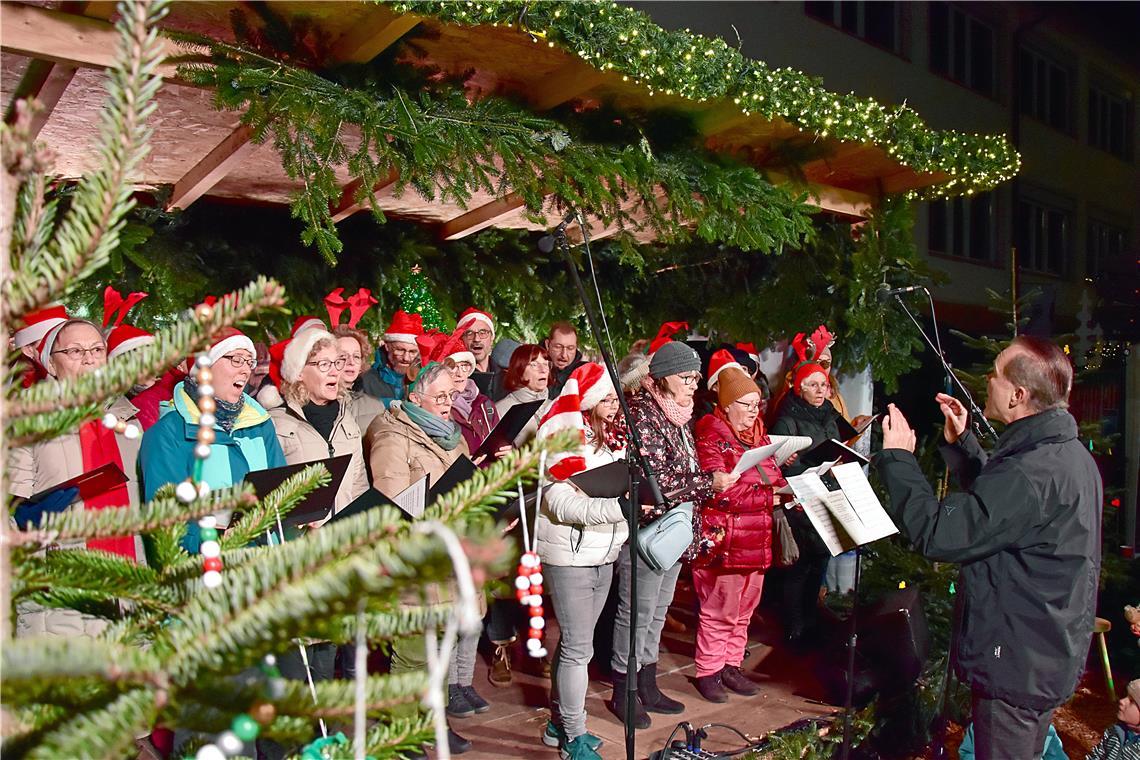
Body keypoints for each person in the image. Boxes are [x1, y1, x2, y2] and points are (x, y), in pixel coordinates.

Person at [875, 336, 1100, 759]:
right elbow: (1002, 516)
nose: (986, 381)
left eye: (995, 374)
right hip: (1039, 655)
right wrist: (964, 447)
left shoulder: (1032, 471)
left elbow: (941, 534)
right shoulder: (1063, 455)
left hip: (1017, 664)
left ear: (1018, 395)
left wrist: (898, 459)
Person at [607, 340, 734, 729]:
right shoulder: (642, 414)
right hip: (647, 532)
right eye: (686, 378)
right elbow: (657, 480)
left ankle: (647, 683)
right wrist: (708, 482)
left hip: (676, 529)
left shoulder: (678, 413)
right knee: (636, 613)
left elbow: (680, 472)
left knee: (658, 612)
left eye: (695, 377)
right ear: (660, 380)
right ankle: (622, 691)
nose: (694, 385)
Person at [364, 361, 474, 756]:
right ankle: (403, 732)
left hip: (451, 555)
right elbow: (391, 501)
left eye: (452, 395)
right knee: (412, 655)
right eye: (440, 396)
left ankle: (434, 721)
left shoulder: (453, 438)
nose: (449, 403)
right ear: (415, 398)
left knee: (440, 652)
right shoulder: (394, 436)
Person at [9, 319, 143, 637]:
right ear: (51, 364)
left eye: (97, 349)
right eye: (74, 351)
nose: (89, 358)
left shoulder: (128, 423)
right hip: (60, 594)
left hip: (127, 590)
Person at [535, 362, 627, 759]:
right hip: (569, 555)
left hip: (603, 552)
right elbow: (557, 500)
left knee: (576, 646)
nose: (613, 404)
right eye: (606, 397)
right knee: (577, 648)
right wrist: (618, 509)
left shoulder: (613, 438)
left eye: (614, 397)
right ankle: (574, 736)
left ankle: (560, 723)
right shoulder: (562, 437)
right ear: (588, 402)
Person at [140, 328, 285, 553]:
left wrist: (304, 514)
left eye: (249, 361)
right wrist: (213, 539)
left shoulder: (260, 423)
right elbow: (164, 525)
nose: (246, 369)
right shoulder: (169, 433)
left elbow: (283, 490)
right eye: (236, 360)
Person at [691, 367, 787, 702]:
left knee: (745, 609)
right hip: (725, 540)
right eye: (746, 404)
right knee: (721, 609)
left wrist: (791, 490)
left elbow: (773, 477)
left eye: (757, 403)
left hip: (755, 537)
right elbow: (719, 491)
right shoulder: (710, 432)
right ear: (727, 404)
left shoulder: (757, 435)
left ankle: (731, 665)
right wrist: (769, 496)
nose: (754, 410)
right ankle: (708, 670)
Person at [769, 361, 839, 645]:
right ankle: (793, 626)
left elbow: (834, 446)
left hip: (826, 494)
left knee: (820, 562)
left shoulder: (829, 415)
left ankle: (812, 619)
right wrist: (803, 467)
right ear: (798, 388)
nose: (819, 390)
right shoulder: (788, 418)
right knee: (800, 566)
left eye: (823, 384)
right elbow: (778, 464)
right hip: (799, 499)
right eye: (812, 384)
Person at [269, 329, 370, 523]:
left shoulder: (347, 421)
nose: (335, 371)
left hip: (344, 542)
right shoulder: (276, 424)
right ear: (299, 372)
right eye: (324, 364)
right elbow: (269, 497)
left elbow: (358, 487)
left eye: (336, 362)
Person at [432, 331, 503, 458]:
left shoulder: (485, 404)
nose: (460, 373)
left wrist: (507, 450)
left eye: (464, 366)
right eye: (453, 367)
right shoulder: (438, 407)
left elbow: (501, 440)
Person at [495, 344, 555, 446]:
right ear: (519, 369)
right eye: (534, 365)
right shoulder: (501, 410)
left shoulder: (555, 405)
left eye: (545, 364)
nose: (543, 370)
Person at [360, 310, 421, 408]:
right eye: (400, 350)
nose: (406, 358)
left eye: (412, 352)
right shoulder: (367, 379)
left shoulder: (422, 380)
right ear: (387, 347)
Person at [332, 324, 385, 434]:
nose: (351, 362)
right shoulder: (317, 402)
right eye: (343, 356)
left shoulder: (376, 405)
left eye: (356, 356)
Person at [1084, 679, 1140, 760]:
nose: (1122, 701)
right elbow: (1096, 756)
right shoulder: (1115, 731)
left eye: (1131, 701)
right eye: (1125, 696)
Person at [456, 307, 501, 398]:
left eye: (483, 332)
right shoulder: (458, 378)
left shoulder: (506, 377)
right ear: (461, 339)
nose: (476, 339)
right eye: (469, 333)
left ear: (492, 338)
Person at [545, 321, 585, 397]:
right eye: (558, 347)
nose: (564, 355)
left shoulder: (585, 375)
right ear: (547, 345)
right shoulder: (531, 369)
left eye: (570, 348)